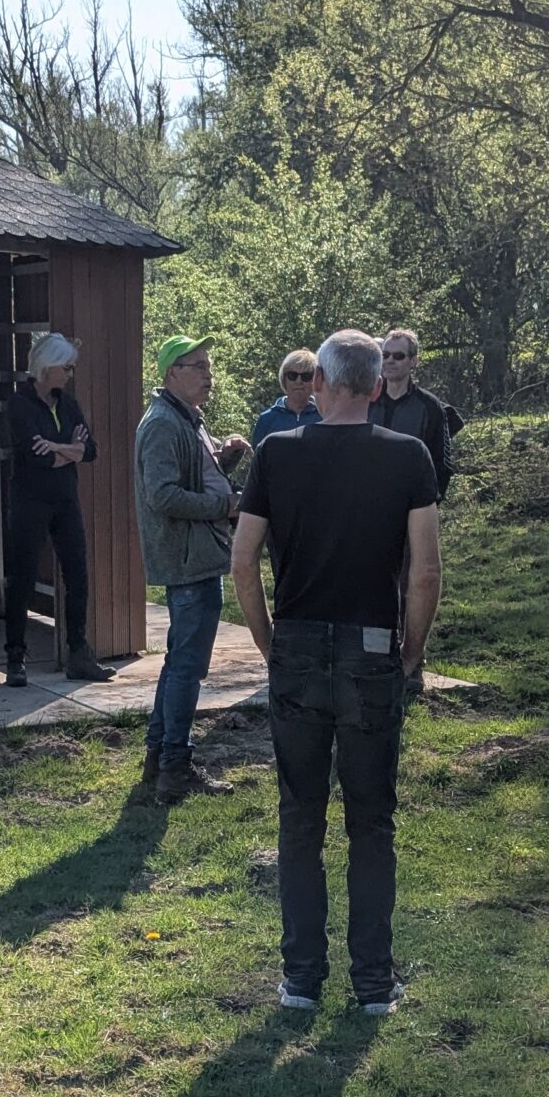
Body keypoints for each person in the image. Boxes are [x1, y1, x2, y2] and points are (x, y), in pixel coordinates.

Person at [232, 329, 441, 1014]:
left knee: (300, 817)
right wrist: (410, 649)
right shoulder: (407, 456)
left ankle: (300, 980)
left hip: (295, 640)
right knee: (372, 821)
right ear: (378, 387)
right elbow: (426, 570)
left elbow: (243, 561)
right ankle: (373, 984)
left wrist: (267, 638)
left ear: (318, 383)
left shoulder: (275, 453)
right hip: (373, 644)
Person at [135, 335, 249, 803]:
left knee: (178, 665)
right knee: (187, 668)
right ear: (170, 373)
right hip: (188, 561)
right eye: (197, 366)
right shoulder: (163, 424)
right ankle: (175, 769)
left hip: (196, 556)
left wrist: (224, 460)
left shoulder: (185, 418)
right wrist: (226, 504)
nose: (208, 374)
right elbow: (162, 495)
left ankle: (159, 758)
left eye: (208, 364)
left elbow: (187, 476)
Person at [0, 332, 116, 689]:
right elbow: (38, 458)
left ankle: (79, 654)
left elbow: (91, 450)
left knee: (77, 572)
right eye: (66, 367)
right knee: (23, 575)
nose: (70, 374)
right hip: (29, 501)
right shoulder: (18, 405)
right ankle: (15, 658)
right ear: (47, 367)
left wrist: (59, 447)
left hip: (66, 500)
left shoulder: (68, 403)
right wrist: (69, 449)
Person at [367, 327, 453, 499]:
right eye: (385, 355)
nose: (390, 360)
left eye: (398, 356)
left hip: (411, 506)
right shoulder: (366, 401)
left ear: (414, 361)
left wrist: (428, 505)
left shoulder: (430, 406)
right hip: (367, 504)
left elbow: (442, 465)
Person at [249, 349, 324, 444]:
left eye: (306, 376)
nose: (298, 381)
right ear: (284, 379)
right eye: (292, 376)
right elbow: (257, 456)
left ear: (315, 381)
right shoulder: (267, 419)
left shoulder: (324, 417)